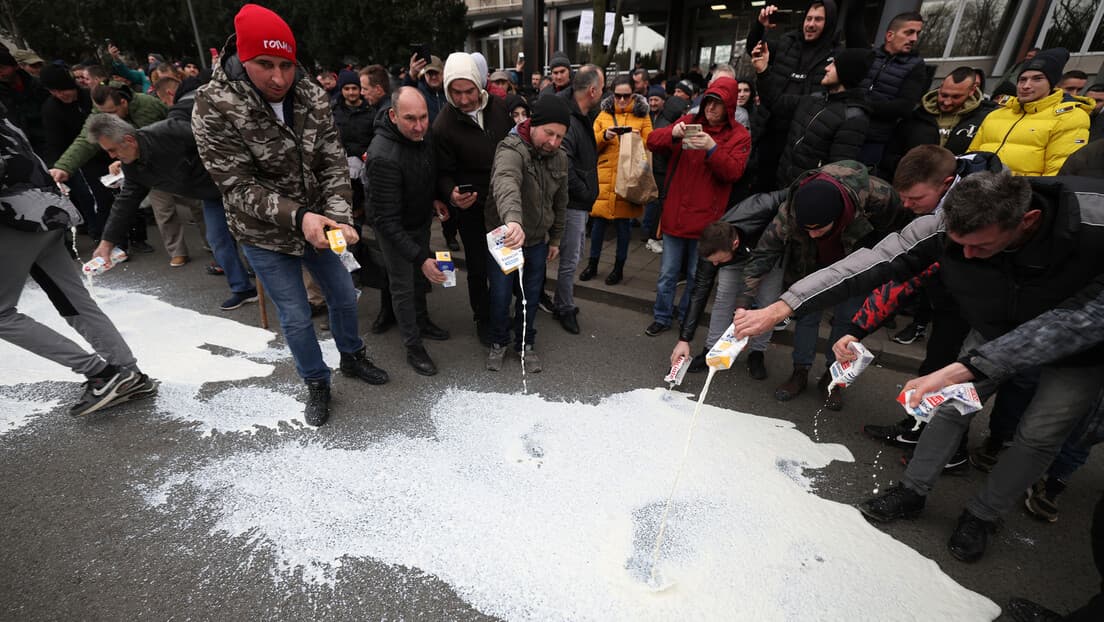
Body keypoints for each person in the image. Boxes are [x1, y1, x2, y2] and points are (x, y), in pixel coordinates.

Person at [734, 171, 1104, 562]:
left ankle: (983, 515)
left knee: (1038, 435)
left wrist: (964, 369)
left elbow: (1079, 321)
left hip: (1080, 350)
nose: (966, 256)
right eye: (958, 245)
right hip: (992, 328)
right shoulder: (942, 224)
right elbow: (873, 262)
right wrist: (784, 306)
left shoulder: (1094, 226)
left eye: (981, 246)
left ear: (1027, 221)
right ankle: (912, 490)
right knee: (948, 406)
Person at [192, 3, 389, 426]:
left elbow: (332, 160)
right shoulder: (213, 104)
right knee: (297, 316)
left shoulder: (310, 93)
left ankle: (352, 356)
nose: (279, 78)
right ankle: (316, 381)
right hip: (263, 233)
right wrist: (300, 218)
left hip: (321, 223)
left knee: (344, 296)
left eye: (286, 64)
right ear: (242, 57)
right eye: (265, 64)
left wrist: (341, 216)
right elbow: (236, 185)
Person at [0, 102, 156, 417]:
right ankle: (127, 372)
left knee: (2, 314)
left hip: (12, 220)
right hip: (45, 209)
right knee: (73, 300)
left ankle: (102, 373)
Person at [736, 160, 908, 408]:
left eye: (818, 229)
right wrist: (743, 303)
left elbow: (900, 234)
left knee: (847, 319)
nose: (812, 234)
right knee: (806, 314)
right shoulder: (789, 213)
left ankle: (832, 377)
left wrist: (878, 266)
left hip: (858, 266)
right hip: (812, 264)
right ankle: (800, 371)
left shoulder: (879, 197)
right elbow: (763, 253)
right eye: (806, 229)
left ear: (839, 216)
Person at [84, 109, 257, 312]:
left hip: (236, 184)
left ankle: (273, 281)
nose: (112, 156)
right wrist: (106, 244)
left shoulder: (169, 131)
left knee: (252, 240)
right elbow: (125, 203)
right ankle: (243, 289)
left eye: (112, 150)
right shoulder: (132, 166)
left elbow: (220, 139)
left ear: (129, 140)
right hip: (211, 196)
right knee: (218, 240)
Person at [644, 77, 751, 337]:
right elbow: (652, 141)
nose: (710, 108)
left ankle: (686, 318)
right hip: (676, 214)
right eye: (708, 102)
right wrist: (672, 133)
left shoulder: (739, 135)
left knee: (696, 276)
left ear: (728, 107)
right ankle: (661, 316)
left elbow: (734, 172)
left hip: (707, 223)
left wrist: (712, 149)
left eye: (717, 104)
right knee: (668, 273)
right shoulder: (691, 122)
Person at [366, 87, 451, 376]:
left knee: (418, 278)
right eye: (410, 119)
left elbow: (426, 171)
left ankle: (422, 321)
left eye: (424, 117)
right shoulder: (382, 155)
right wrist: (421, 258)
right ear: (393, 116)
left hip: (419, 219)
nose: (419, 126)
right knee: (402, 285)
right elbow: (386, 220)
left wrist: (435, 198)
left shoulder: (423, 136)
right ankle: (413, 346)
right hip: (393, 228)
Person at [432, 52, 514, 345]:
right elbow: (441, 171)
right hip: (472, 208)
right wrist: (451, 193)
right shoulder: (442, 125)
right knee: (478, 267)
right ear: (447, 91)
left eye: (469, 91)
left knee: (507, 262)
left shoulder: (499, 108)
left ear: (479, 85)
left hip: (504, 203)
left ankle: (502, 310)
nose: (464, 99)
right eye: (456, 92)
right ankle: (483, 316)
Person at [484, 95, 569, 371]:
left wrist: (555, 238)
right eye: (549, 133)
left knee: (530, 296)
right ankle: (498, 341)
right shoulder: (510, 149)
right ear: (534, 124)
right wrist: (513, 222)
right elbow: (506, 182)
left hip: (537, 241)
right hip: (506, 236)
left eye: (560, 136)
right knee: (499, 296)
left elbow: (561, 202)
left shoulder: (560, 158)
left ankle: (525, 343)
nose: (553, 142)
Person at [670, 190, 786, 378]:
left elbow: (792, 192)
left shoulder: (760, 207)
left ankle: (757, 352)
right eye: (712, 261)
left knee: (767, 303)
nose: (714, 265)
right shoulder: (712, 250)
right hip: (735, 259)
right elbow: (699, 292)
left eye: (718, 260)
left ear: (734, 243)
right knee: (723, 298)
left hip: (769, 256)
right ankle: (711, 350)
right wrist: (684, 338)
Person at [49, 82, 166, 255]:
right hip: (139, 168)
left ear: (124, 102)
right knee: (140, 204)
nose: (108, 118)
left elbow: (171, 129)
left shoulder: (149, 105)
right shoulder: (101, 114)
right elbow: (85, 141)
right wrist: (64, 167)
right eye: (102, 113)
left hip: (173, 162)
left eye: (111, 112)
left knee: (197, 205)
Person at [744, 1, 843, 192]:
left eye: (818, 19)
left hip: (799, 138)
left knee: (784, 191)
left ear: (829, 23)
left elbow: (812, 101)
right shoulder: (787, 42)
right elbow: (754, 49)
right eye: (808, 18)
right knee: (757, 185)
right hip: (767, 128)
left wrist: (773, 93)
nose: (811, 24)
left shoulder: (835, 55)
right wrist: (760, 26)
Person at [753, 43, 873, 187]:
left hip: (807, 193)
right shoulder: (814, 99)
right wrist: (763, 71)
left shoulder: (853, 117)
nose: (827, 68)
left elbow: (837, 174)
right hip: (784, 185)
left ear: (846, 72)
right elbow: (775, 102)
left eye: (834, 65)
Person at [968, 48, 1092, 176]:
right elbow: (970, 158)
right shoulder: (996, 114)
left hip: (1022, 188)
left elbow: (1058, 174)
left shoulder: (1070, 117)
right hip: (977, 186)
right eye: (1022, 79)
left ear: (1052, 84)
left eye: (1037, 79)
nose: (1026, 86)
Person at [579, 76, 653, 286]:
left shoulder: (642, 115)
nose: (621, 100)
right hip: (604, 178)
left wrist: (637, 138)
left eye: (626, 96)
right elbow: (589, 144)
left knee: (623, 228)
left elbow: (650, 143)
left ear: (633, 95)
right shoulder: (603, 115)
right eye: (617, 95)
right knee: (598, 226)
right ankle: (592, 264)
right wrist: (605, 136)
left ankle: (618, 269)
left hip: (629, 178)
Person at [551, 65, 604, 334]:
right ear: (592, 90)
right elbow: (565, 165)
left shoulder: (583, 114)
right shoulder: (570, 119)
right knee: (570, 259)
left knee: (574, 255)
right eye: (602, 88)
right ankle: (564, 307)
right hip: (572, 203)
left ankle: (560, 301)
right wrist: (586, 192)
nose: (604, 93)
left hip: (578, 202)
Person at [882, 66, 997, 174]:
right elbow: (890, 155)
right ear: (941, 87)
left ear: (972, 90)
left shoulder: (986, 118)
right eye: (944, 95)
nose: (947, 102)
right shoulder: (918, 115)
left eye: (956, 97)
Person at [859, 12, 927, 176]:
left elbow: (904, 107)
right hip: (847, 129)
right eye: (909, 32)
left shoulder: (916, 66)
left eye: (917, 34)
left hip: (874, 140)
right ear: (890, 35)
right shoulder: (869, 56)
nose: (914, 39)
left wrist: (861, 105)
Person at [0, 46, 48, 155]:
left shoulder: (38, 85)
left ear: (16, 66)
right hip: (25, 147)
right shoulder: (3, 95)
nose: (0, 73)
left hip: (49, 138)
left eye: (2, 68)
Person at [405, 54, 447, 124]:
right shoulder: (418, 92)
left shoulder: (449, 92)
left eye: (436, 73)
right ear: (424, 75)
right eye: (430, 73)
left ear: (442, 73)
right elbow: (404, 96)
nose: (433, 77)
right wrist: (411, 75)